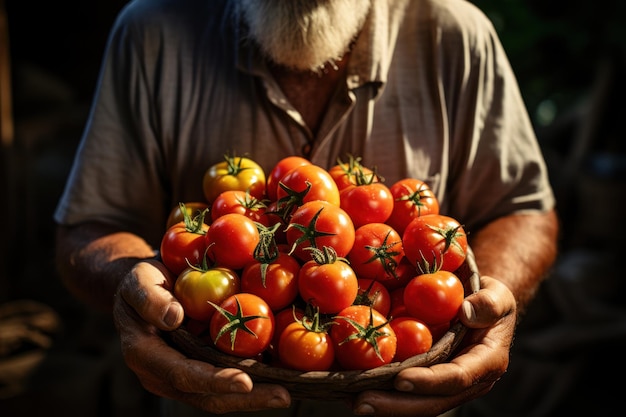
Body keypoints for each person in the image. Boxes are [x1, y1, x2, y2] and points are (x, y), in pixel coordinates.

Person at [54, 0, 559, 416]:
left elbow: (524, 208)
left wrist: (483, 309)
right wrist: (132, 286)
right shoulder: (152, 32)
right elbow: (91, 223)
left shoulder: (457, 34)